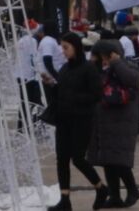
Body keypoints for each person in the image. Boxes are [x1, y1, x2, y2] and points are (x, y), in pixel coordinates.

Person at [44, 32, 107, 211]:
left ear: (76, 47)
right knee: (62, 158)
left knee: (78, 158)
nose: (63, 51)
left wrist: (74, 98)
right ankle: (65, 199)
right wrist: (51, 85)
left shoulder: (88, 68)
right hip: (64, 119)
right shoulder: (64, 69)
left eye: (66, 48)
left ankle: (100, 188)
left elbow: (96, 95)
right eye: (62, 48)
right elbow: (61, 92)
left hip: (81, 120)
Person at [88, 40, 139, 208]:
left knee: (118, 159)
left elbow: (132, 80)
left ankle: (133, 189)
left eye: (106, 56)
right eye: (100, 56)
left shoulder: (127, 67)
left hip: (121, 121)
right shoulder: (99, 70)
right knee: (107, 160)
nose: (103, 60)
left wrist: (116, 62)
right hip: (103, 120)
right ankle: (114, 195)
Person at [15, 21, 42, 131]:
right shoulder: (33, 41)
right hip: (29, 76)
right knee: (33, 101)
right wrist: (37, 72)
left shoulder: (20, 41)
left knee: (23, 100)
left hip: (20, 74)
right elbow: (33, 58)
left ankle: (21, 125)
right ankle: (32, 125)